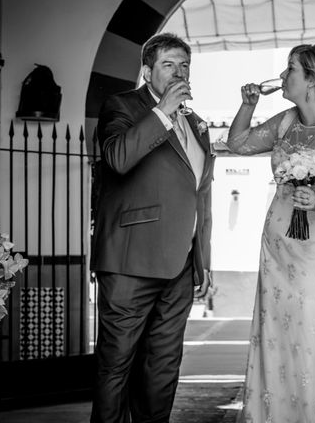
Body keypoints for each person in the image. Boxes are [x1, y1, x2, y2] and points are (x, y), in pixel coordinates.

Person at [227, 43, 315, 422]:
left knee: (310, 335)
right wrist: (248, 104)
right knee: (274, 333)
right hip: (277, 246)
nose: (281, 76)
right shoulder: (285, 122)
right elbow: (238, 144)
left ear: (310, 80)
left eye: (289, 69)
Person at [90, 33, 214, 423]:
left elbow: (200, 197)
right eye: (169, 65)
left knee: (162, 369)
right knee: (116, 366)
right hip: (130, 261)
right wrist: (161, 111)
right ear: (147, 71)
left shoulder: (195, 123)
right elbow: (118, 158)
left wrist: (203, 261)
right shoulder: (122, 106)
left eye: (184, 66)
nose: (179, 73)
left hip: (179, 267)